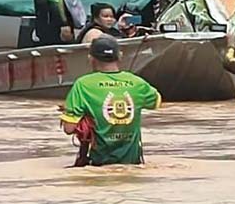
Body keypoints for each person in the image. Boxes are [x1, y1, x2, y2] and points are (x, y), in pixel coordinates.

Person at [60, 36, 162, 167]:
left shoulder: (83, 85)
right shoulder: (138, 83)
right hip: (133, 165)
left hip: (97, 166)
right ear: (120, 56)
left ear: (90, 58)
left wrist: (71, 110)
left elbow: (69, 128)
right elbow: (156, 101)